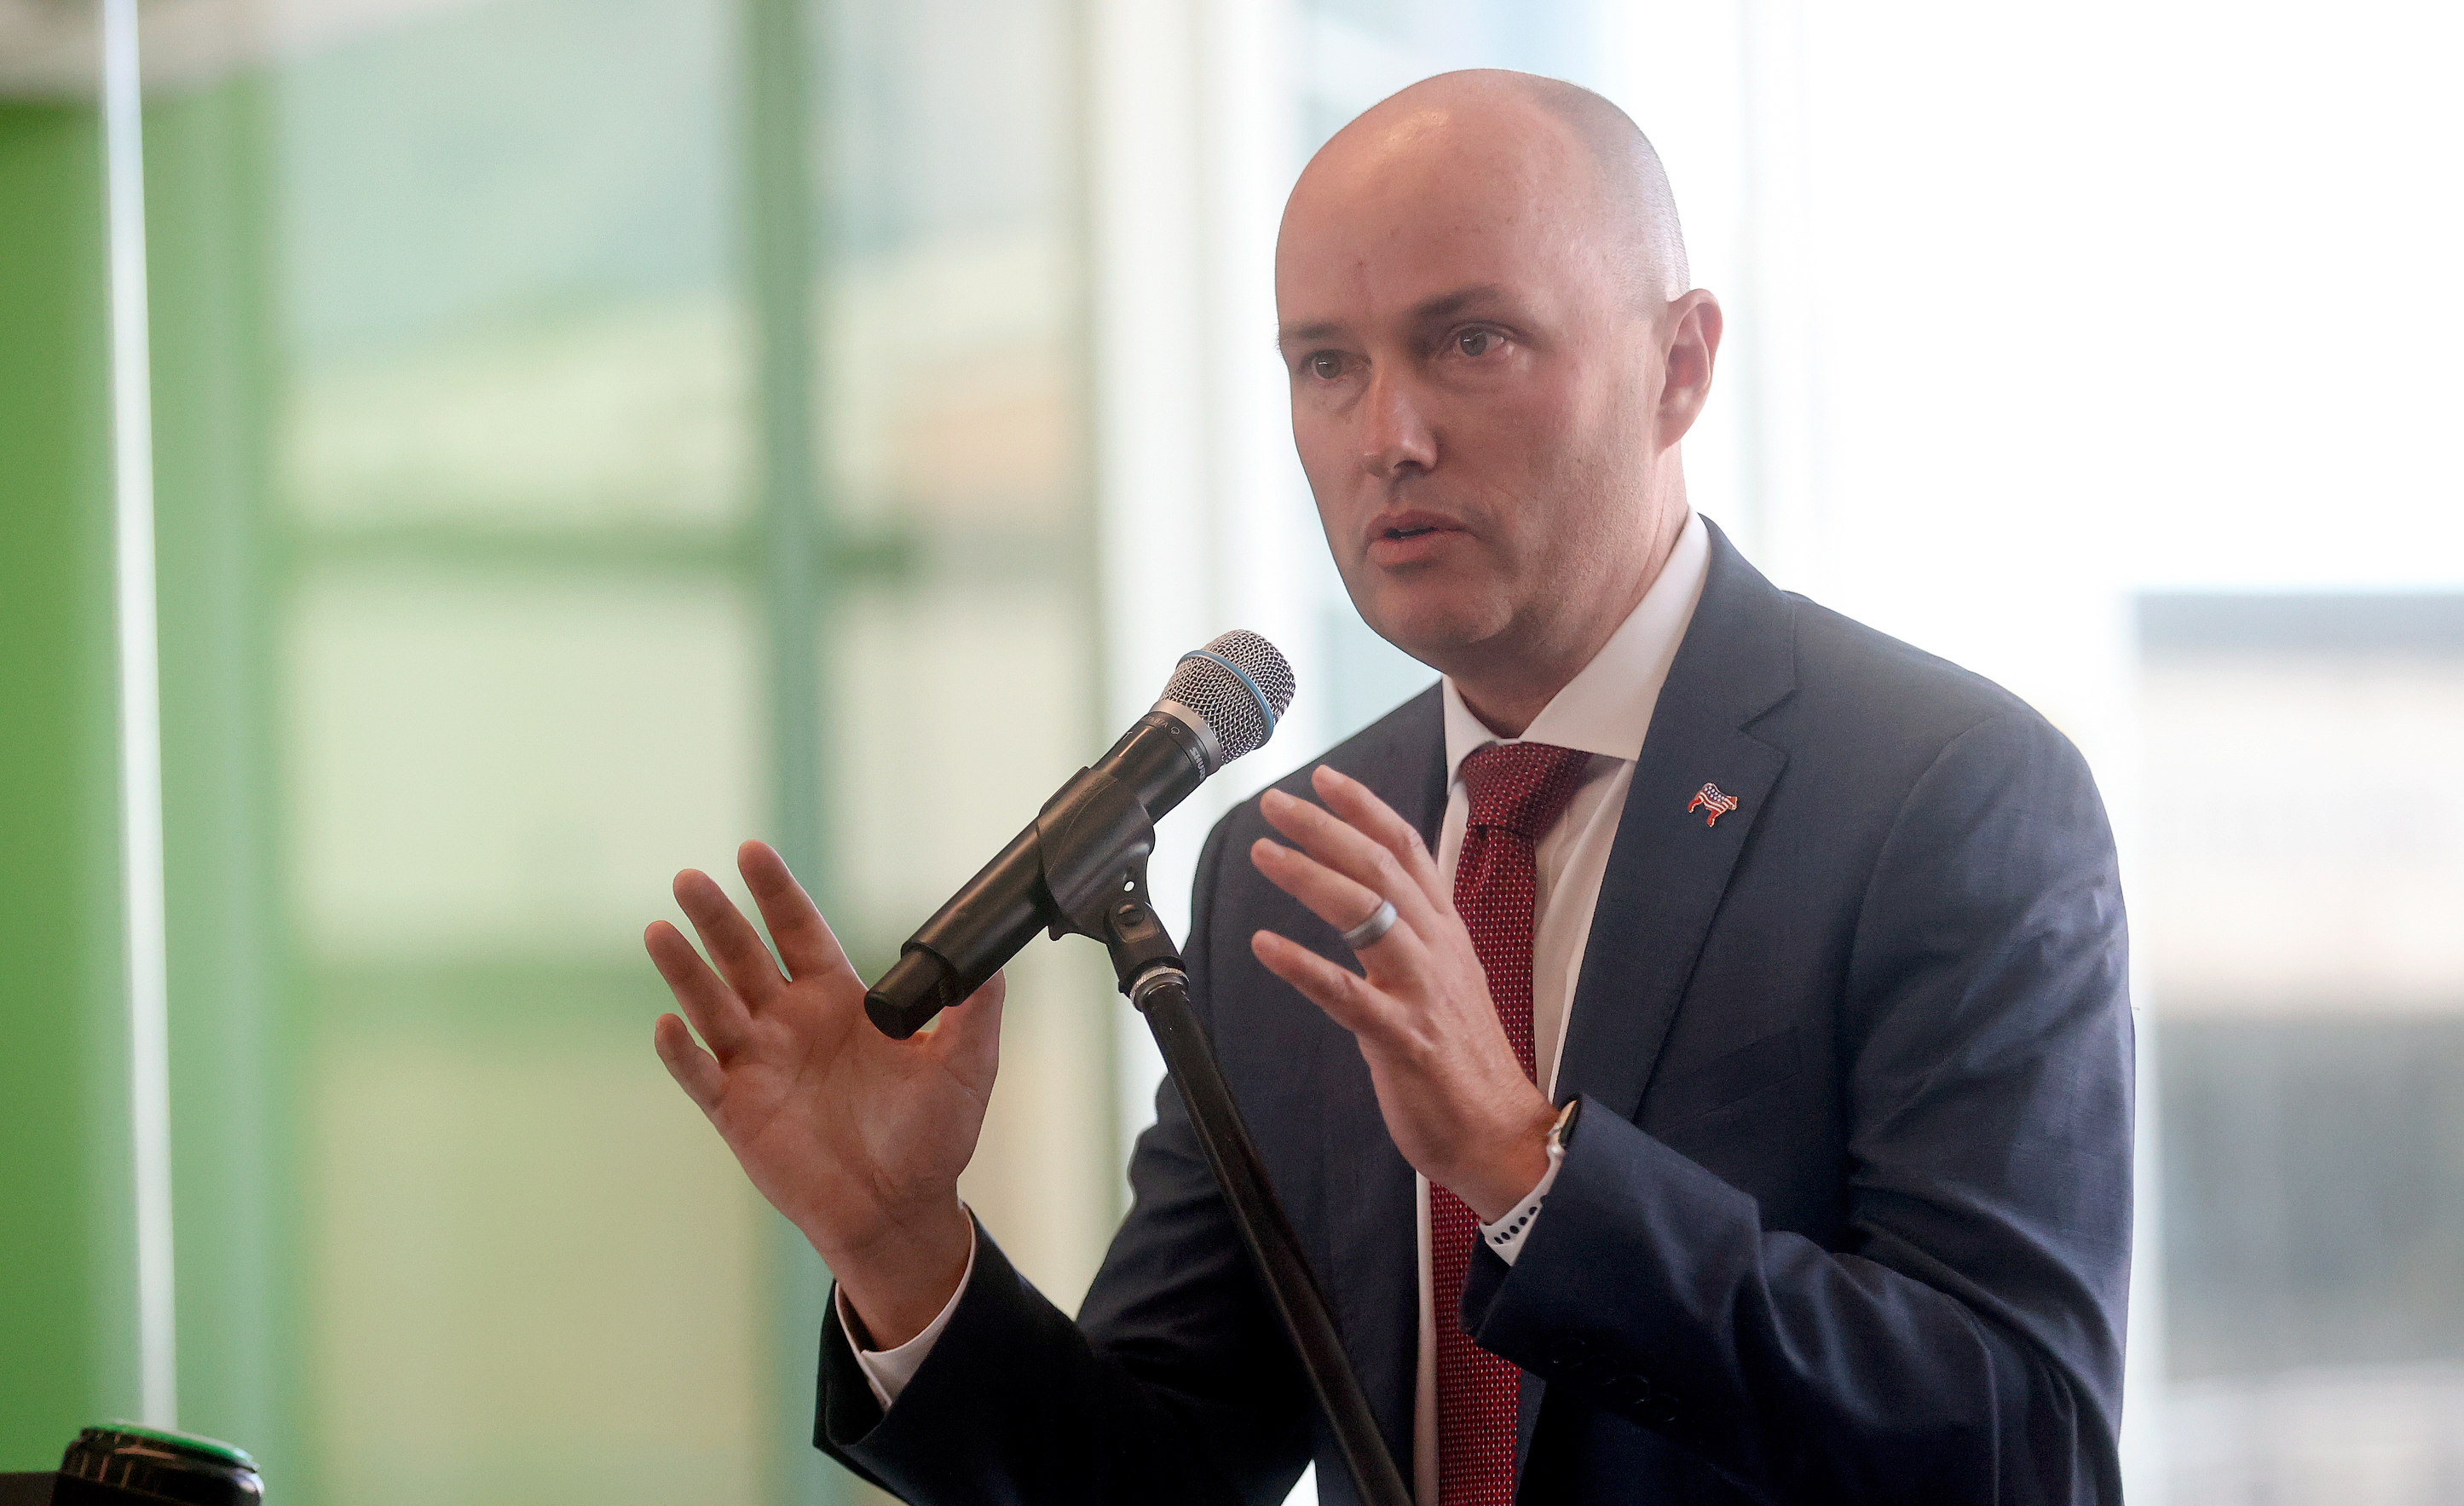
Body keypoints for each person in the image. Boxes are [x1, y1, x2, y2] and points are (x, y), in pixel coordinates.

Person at [646, 69, 2133, 1505]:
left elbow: (2024, 1444)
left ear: (1679, 367)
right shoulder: (1282, 871)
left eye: (1471, 341)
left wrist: (1524, 1166)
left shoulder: (1946, 796)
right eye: (1326, 364)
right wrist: (907, 1252)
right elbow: (1165, 1472)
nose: (1386, 439)